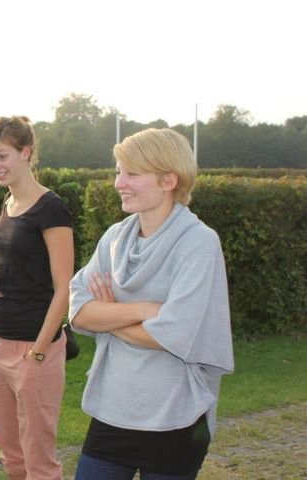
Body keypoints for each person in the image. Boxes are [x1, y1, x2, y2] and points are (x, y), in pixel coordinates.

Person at [68, 128, 234, 479]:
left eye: (132, 173)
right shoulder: (115, 239)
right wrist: (145, 311)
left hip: (176, 417)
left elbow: (173, 334)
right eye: (118, 172)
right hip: (113, 410)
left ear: (168, 180)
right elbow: (79, 313)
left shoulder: (198, 243)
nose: (119, 183)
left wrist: (110, 315)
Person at [0, 115, 75, 479]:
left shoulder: (51, 209)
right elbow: (2, 274)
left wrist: (40, 352)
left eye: (1, 156)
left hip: (32, 349)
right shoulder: (8, 203)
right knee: (12, 457)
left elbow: (64, 287)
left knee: (39, 462)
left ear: (26, 152)